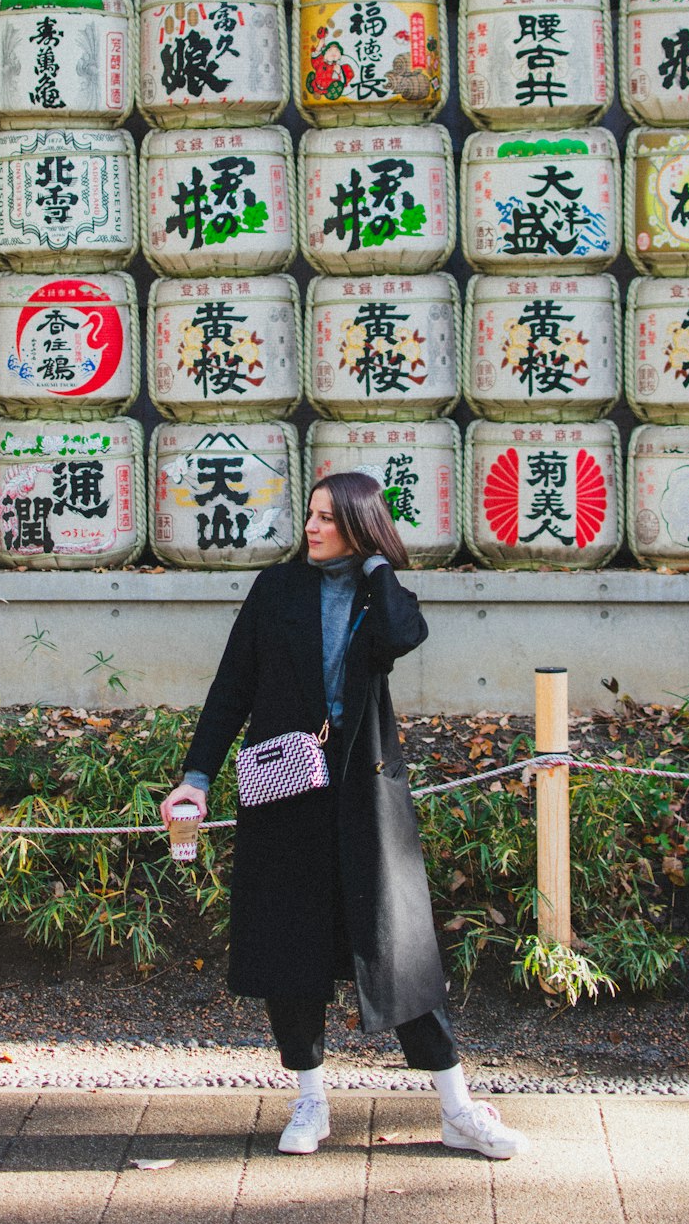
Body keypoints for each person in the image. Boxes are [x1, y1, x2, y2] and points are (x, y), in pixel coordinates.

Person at [160, 472, 529, 1161]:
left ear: (360, 526)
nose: (312, 527)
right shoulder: (277, 591)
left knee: (402, 949)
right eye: (311, 514)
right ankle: (309, 1101)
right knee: (290, 951)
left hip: (365, 792)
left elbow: (403, 635)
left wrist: (379, 564)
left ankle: (456, 1108)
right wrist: (197, 778)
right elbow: (231, 688)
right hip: (286, 789)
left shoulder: (377, 595)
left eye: (328, 518)